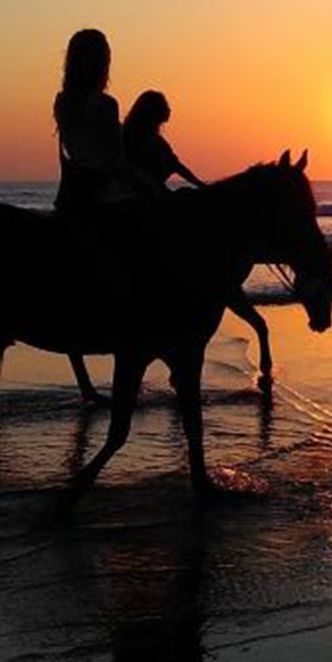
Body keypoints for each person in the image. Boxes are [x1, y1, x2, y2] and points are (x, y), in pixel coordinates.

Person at [51, 28, 161, 405]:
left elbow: (78, 152)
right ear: (103, 62)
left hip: (72, 202)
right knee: (154, 256)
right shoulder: (107, 104)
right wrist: (151, 185)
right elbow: (115, 162)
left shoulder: (62, 102)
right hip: (108, 200)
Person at [122, 91, 206, 190]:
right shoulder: (136, 137)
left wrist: (200, 185)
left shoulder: (156, 139)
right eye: (165, 105)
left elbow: (176, 165)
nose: (169, 109)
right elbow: (175, 166)